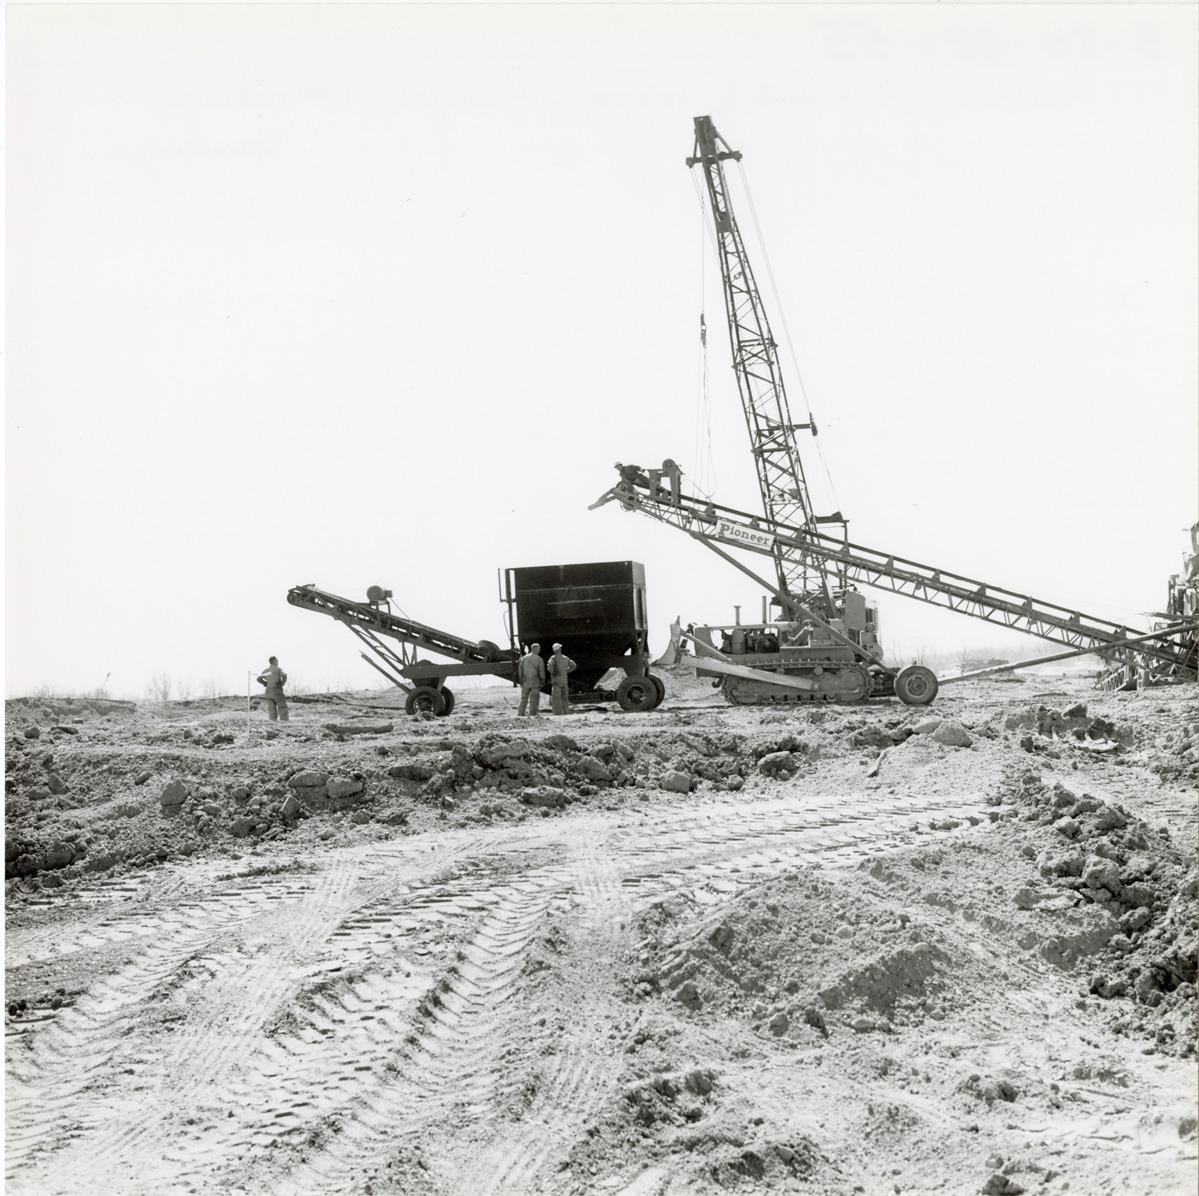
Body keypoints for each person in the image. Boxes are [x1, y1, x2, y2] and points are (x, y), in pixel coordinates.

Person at [517, 643, 546, 717]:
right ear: (535, 649)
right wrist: (543, 680)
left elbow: (520, 669)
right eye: (538, 648)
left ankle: (520, 713)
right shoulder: (539, 659)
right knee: (534, 698)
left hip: (525, 681)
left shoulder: (524, 658)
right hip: (535, 681)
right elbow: (541, 671)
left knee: (523, 698)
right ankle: (533, 713)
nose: (539, 650)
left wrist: (520, 679)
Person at [256, 656, 289, 722]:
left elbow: (258, 678)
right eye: (277, 660)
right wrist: (282, 684)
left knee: (271, 708)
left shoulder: (267, 670)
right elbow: (284, 675)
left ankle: (273, 722)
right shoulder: (278, 669)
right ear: (274, 661)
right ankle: (284, 722)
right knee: (282, 706)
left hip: (268, 691)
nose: (277, 662)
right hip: (276, 689)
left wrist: (265, 683)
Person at [547, 643, 576, 716]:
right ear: (559, 649)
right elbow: (574, 665)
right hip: (564, 681)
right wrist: (566, 671)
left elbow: (550, 667)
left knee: (556, 699)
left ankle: (557, 714)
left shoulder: (553, 658)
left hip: (556, 682)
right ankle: (566, 712)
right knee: (565, 698)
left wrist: (553, 672)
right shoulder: (565, 658)